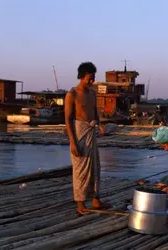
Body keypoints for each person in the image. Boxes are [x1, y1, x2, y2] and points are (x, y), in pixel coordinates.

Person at [65, 62, 110, 215]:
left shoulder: (92, 93)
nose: (92, 81)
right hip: (79, 133)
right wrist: (72, 142)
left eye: (93, 78)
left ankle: (96, 199)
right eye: (89, 78)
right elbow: (68, 119)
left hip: (92, 131)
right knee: (81, 169)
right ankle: (81, 204)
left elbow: (94, 111)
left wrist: (101, 124)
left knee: (95, 167)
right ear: (81, 77)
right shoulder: (72, 94)